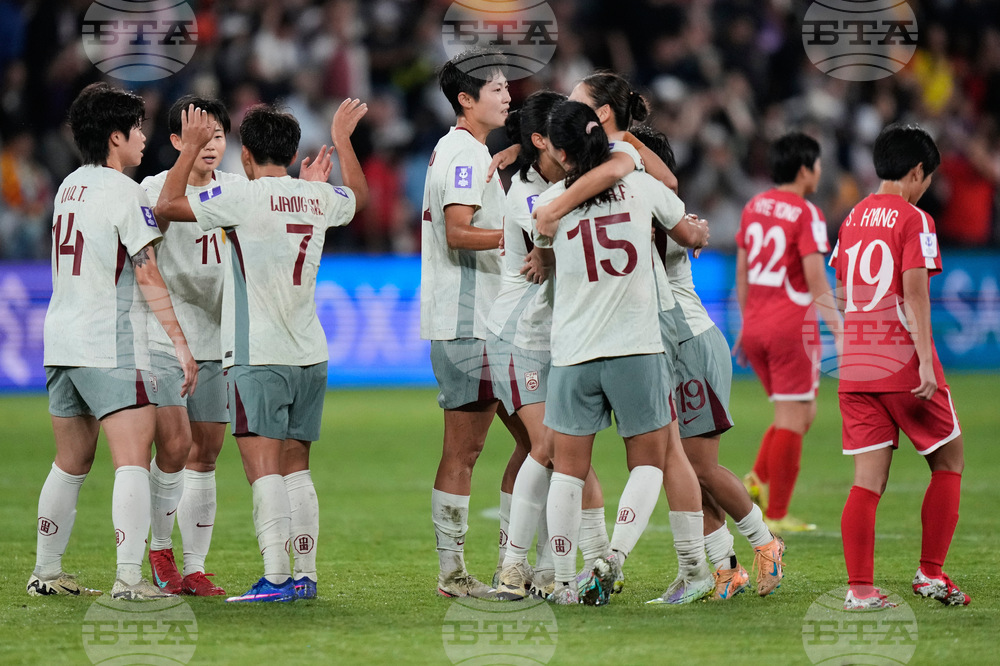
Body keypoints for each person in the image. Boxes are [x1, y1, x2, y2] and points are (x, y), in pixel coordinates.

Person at [155, 98, 369, 603]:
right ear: (293, 153)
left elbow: (167, 207)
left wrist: (187, 151)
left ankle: (275, 578)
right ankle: (306, 575)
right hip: (311, 354)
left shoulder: (242, 198)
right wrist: (342, 139)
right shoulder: (315, 197)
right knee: (297, 466)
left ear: (245, 155)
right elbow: (359, 197)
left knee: (263, 469)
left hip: (257, 355)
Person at [27, 82, 198, 601]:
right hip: (111, 343)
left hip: (62, 340)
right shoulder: (125, 192)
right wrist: (181, 343)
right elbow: (147, 273)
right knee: (130, 458)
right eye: (138, 128)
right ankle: (129, 579)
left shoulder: (68, 187)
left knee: (71, 460)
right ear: (116, 136)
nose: (144, 138)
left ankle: (46, 572)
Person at [535, 100, 709, 606]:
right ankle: (615, 556)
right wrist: (699, 232)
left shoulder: (546, 203)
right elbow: (684, 230)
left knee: (567, 470)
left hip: (573, 350)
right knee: (649, 462)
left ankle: (565, 582)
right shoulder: (641, 185)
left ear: (561, 151)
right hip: (636, 345)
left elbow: (541, 255)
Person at [831, 123, 968, 610]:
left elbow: (844, 293)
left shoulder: (852, 217)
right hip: (902, 363)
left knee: (867, 482)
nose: (925, 187)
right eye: (927, 179)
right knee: (949, 462)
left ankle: (860, 590)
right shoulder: (915, 220)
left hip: (857, 364)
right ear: (916, 171)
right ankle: (930, 573)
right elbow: (914, 294)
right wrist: (926, 362)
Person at [421, 48, 535, 598]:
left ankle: (511, 563)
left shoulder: (470, 152)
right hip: (470, 325)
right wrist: (522, 234)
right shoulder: (463, 154)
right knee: (466, 451)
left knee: (542, 442)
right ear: (466, 100)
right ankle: (455, 572)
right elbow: (458, 232)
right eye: (495, 88)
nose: (507, 94)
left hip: (489, 323)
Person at [141, 96, 243, 597]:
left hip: (217, 340)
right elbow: (152, 235)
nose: (211, 144)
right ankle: (161, 550)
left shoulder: (238, 190)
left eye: (219, 135)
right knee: (174, 449)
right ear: (177, 141)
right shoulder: (152, 187)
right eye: (200, 135)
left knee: (206, 454)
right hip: (164, 339)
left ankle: (195, 567)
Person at [734, 131, 841, 534]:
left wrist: (745, 324)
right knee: (793, 419)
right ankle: (776, 515)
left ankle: (757, 480)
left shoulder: (754, 205)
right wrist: (840, 330)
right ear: (804, 169)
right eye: (817, 164)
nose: (820, 171)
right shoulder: (806, 213)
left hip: (759, 324)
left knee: (800, 413)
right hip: (790, 327)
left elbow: (742, 271)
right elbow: (816, 279)